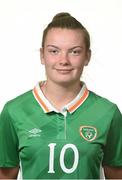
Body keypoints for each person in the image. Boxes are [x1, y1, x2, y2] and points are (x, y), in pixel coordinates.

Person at [0, 12, 122, 179]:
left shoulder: (108, 113)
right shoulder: (14, 111)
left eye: (75, 52)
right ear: (42, 55)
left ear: (87, 56)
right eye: (54, 51)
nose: (63, 60)